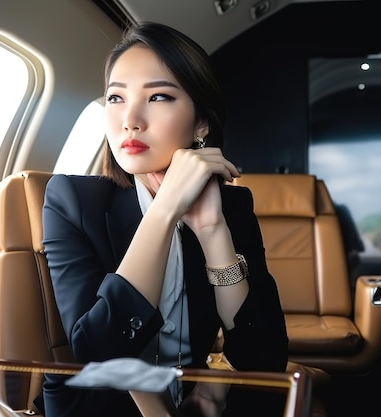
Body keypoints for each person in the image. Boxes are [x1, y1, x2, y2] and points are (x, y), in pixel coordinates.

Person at [41, 21, 288, 417]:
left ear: (201, 124)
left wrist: (213, 231)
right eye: (116, 98)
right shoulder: (71, 201)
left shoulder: (233, 207)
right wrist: (164, 208)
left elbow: (263, 360)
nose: (130, 119)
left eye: (157, 97)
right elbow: (98, 352)